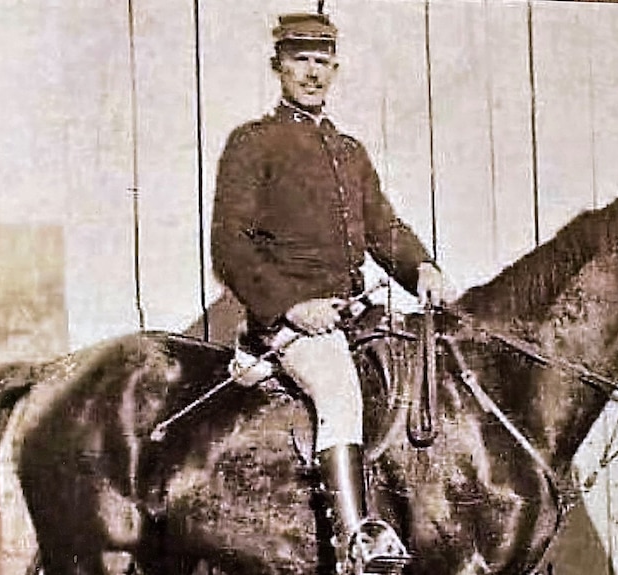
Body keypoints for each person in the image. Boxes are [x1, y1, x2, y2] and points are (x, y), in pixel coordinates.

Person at [210, 12, 452, 574]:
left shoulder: (349, 152)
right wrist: (292, 307)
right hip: (290, 323)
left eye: (322, 61)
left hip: (350, 313)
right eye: (300, 60)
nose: (312, 72)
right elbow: (231, 246)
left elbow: (383, 229)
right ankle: (356, 543)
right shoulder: (254, 144)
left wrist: (422, 268)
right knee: (340, 389)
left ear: (335, 68)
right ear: (279, 67)